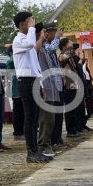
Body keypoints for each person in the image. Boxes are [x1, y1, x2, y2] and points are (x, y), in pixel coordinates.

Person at [11, 12, 52, 164]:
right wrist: (32, 29)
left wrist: (41, 85)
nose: (32, 24)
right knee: (30, 119)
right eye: (29, 22)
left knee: (34, 118)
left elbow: (35, 66)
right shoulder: (18, 40)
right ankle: (31, 152)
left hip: (34, 80)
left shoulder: (27, 40)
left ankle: (36, 151)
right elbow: (29, 43)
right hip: (25, 82)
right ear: (22, 24)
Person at [35, 23, 59, 158]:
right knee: (45, 119)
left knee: (51, 119)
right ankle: (43, 145)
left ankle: (48, 144)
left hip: (51, 87)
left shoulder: (45, 48)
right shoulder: (37, 48)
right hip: (44, 88)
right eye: (44, 32)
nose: (46, 34)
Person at [5, 45, 24, 140]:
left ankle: (19, 131)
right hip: (16, 88)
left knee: (19, 111)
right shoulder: (12, 60)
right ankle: (18, 131)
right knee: (18, 111)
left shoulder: (13, 59)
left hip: (17, 88)